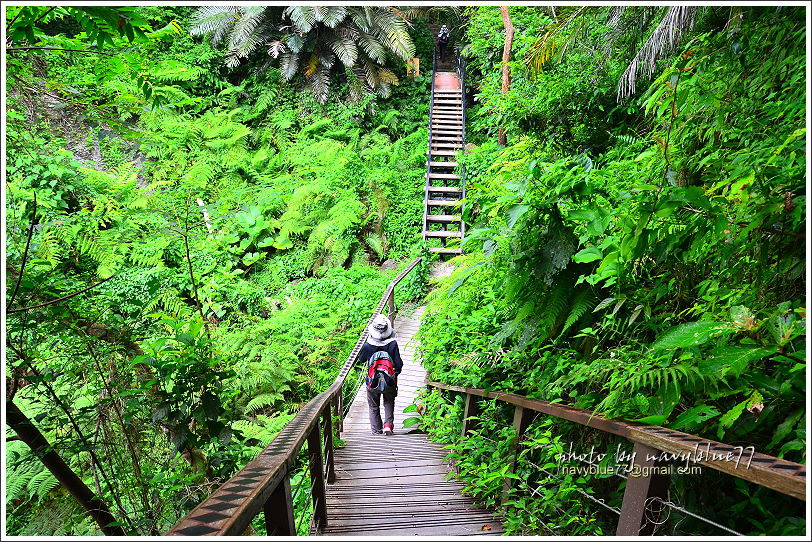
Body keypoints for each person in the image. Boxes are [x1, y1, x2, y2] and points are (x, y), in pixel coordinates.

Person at [360, 314, 403, 435]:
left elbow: (362, 360)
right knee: (389, 401)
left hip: (372, 381)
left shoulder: (368, 345)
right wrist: (395, 373)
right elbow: (399, 364)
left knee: (373, 405)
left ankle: (376, 430)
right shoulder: (392, 344)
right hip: (389, 380)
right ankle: (388, 425)